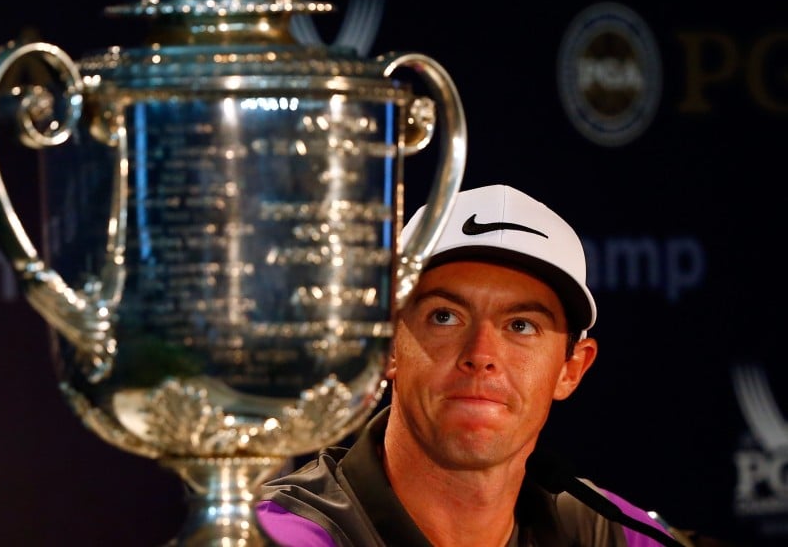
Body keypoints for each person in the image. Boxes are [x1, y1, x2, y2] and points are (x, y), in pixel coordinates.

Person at [256, 184, 691, 547]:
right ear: (385, 347)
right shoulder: (281, 535)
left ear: (571, 368)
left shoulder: (610, 534)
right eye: (445, 316)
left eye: (521, 325)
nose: (481, 354)